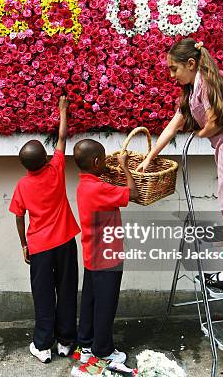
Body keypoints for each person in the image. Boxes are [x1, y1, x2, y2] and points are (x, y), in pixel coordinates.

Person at [137, 38, 223, 291]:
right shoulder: (194, 88)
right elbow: (172, 127)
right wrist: (149, 157)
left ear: (191, 64)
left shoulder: (206, 84)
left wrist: (199, 134)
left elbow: (216, 122)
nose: (171, 75)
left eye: (173, 69)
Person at [9, 96, 81, 363]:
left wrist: (23, 244)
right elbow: (62, 138)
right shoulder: (56, 169)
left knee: (43, 296)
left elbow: (18, 216)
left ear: (25, 165)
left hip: (39, 248)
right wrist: (63, 110)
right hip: (64, 243)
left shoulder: (22, 186)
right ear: (44, 158)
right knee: (66, 290)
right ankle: (65, 341)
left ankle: (43, 346)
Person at [73, 138, 139, 364]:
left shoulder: (84, 185)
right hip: (107, 257)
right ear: (96, 161)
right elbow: (134, 193)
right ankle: (103, 349)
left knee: (91, 300)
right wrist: (124, 167)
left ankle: (86, 344)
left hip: (91, 255)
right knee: (106, 304)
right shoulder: (100, 188)